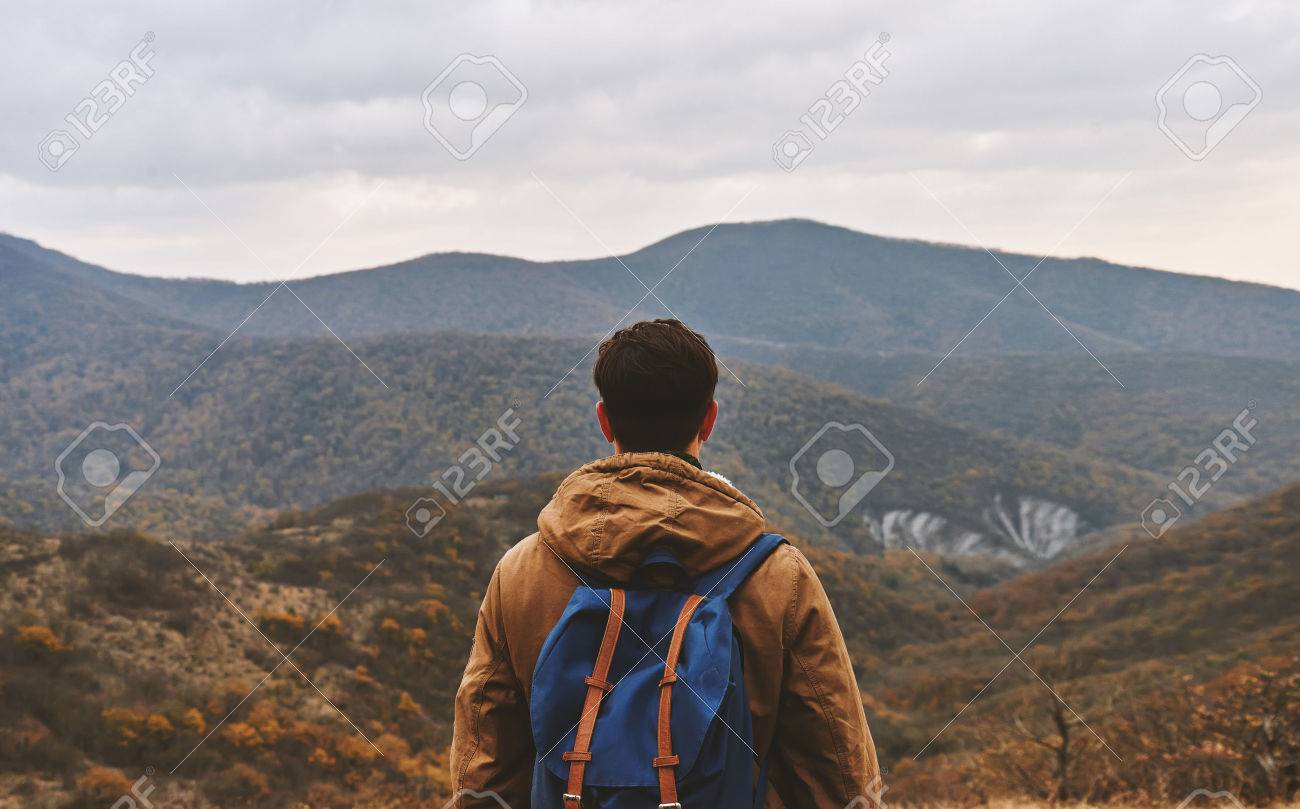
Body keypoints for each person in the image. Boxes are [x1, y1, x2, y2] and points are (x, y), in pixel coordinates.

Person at [451, 319, 880, 808]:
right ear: (709, 420)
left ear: (604, 420)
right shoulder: (779, 576)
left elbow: (483, 771)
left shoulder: (521, 573)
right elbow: (838, 772)